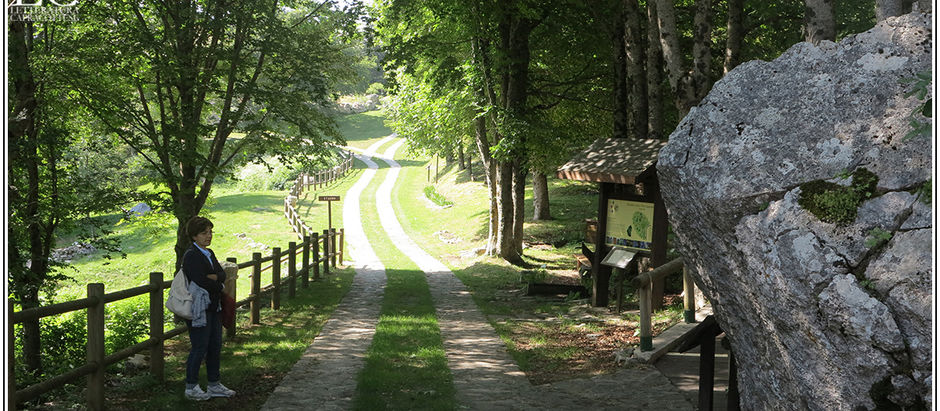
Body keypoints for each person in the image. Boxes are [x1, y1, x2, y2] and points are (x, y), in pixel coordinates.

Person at [181, 216, 236, 401]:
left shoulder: (209, 253)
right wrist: (219, 284)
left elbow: (220, 274)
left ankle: (214, 384)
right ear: (194, 236)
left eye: (210, 232)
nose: (209, 236)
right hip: (199, 309)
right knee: (199, 346)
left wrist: (216, 278)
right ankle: (191, 387)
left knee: (215, 345)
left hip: (214, 306)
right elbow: (201, 280)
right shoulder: (191, 255)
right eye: (204, 233)